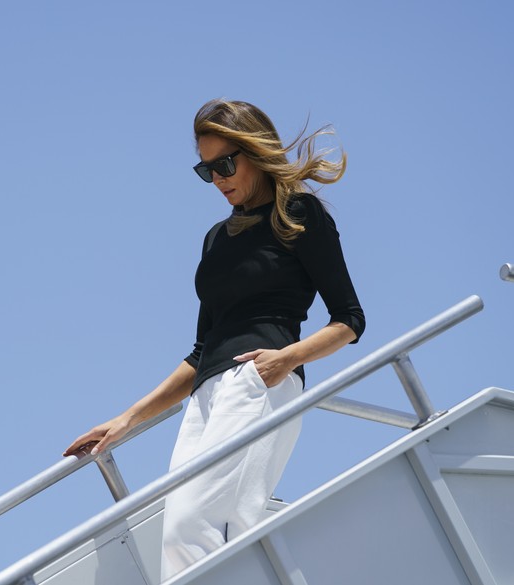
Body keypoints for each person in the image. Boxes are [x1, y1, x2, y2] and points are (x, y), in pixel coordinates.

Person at [64, 98, 365, 581]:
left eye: (226, 164)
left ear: (255, 151)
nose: (219, 179)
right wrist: (126, 420)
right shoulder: (216, 239)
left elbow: (349, 320)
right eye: (207, 171)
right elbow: (202, 350)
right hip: (206, 395)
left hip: (258, 381)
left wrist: (284, 360)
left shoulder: (297, 212)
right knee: (180, 531)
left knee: (196, 525)